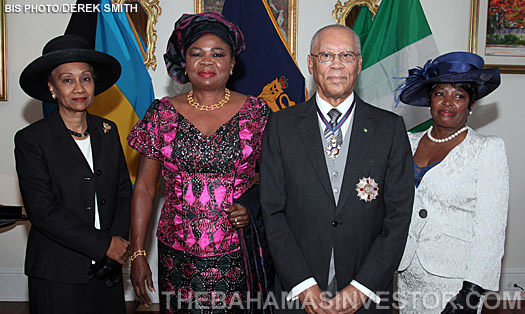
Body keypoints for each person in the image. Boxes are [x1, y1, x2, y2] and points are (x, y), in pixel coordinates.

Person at [260, 24, 414, 313]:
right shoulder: (281, 126)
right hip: (297, 291)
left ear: (359, 63)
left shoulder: (390, 129)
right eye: (326, 55)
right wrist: (302, 283)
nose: (337, 65)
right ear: (311, 63)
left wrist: (363, 287)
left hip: (366, 290)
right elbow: (272, 211)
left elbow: (398, 216)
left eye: (346, 55)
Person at [127, 11, 272, 313]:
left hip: (238, 251)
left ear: (232, 64)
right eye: (197, 53)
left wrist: (252, 205)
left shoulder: (257, 113)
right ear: (184, 61)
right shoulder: (161, 114)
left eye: (218, 54)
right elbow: (144, 189)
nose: (207, 62)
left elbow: (277, 180)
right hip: (176, 255)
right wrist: (138, 252)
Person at [15, 35, 132, 314]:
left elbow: (122, 192)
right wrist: (104, 245)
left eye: (86, 78)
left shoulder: (108, 130)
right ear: (52, 88)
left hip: (108, 270)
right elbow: (42, 210)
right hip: (58, 271)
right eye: (67, 80)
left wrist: (115, 247)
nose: (79, 88)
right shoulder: (32, 139)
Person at [396, 51, 509, 314]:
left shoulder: (487, 149)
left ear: (471, 104)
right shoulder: (407, 142)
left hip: (455, 283)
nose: (448, 102)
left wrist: (471, 293)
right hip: (407, 274)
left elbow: (491, 229)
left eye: (459, 95)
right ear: (429, 100)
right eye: (440, 93)